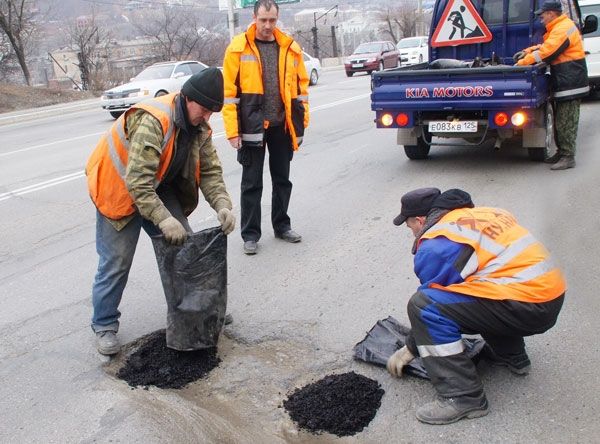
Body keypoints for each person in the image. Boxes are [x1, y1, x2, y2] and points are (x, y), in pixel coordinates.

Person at [85, 67, 235, 355]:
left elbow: (211, 172)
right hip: (118, 188)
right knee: (116, 262)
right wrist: (164, 219)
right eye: (204, 110)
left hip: (157, 183)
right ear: (188, 98)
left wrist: (223, 204)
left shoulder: (199, 127)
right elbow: (137, 182)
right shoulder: (153, 120)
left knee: (187, 251)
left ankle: (199, 313)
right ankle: (104, 325)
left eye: (211, 113)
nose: (206, 118)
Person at [387, 187, 566, 425]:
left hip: (528, 305)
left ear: (420, 220)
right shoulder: (483, 213)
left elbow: (434, 300)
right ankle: (512, 356)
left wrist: (411, 348)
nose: (411, 232)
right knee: (478, 287)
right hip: (550, 292)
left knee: (424, 306)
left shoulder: (437, 244)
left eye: (409, 227)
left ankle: (464, 398)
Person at [222, 0, 310, 255]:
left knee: (282, 179)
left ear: (277, 18)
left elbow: (301, 92)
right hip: (252, 126)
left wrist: (300, 125)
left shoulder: (290, 48)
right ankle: (250, 235)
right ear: (254, 17)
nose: (268, 25)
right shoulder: (238, 48)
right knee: (252, 183)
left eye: (272, 20)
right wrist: (233, 131)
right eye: (263, 20)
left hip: (282, 126)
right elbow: (229, 94)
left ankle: (282, 226)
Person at [513, 0, 588, 170]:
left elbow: (549, 52)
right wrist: (529, 50)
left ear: (552, 13)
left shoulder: (563, 28)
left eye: (543, 14)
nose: (541, 18)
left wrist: (523, 62)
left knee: (566, 121)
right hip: (565, 79)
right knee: (560, 119)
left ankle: (568, 157)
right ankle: (562, 153)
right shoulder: (559, 27)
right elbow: (547, 45)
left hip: (570, 82)